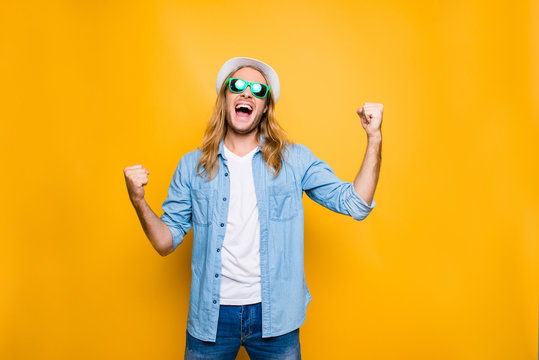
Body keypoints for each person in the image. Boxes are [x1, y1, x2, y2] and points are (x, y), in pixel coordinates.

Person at [123, 57, 383, 359]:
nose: (248, 93)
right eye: (239, 85)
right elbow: (165, 243)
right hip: (211, 317)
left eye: (258, 90)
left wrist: (374, 137)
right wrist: (138, 201)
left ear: (264, 108)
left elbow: (356, 204)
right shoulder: (191, 166)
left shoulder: (294, 160)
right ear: (225, 98)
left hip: (277, 317)